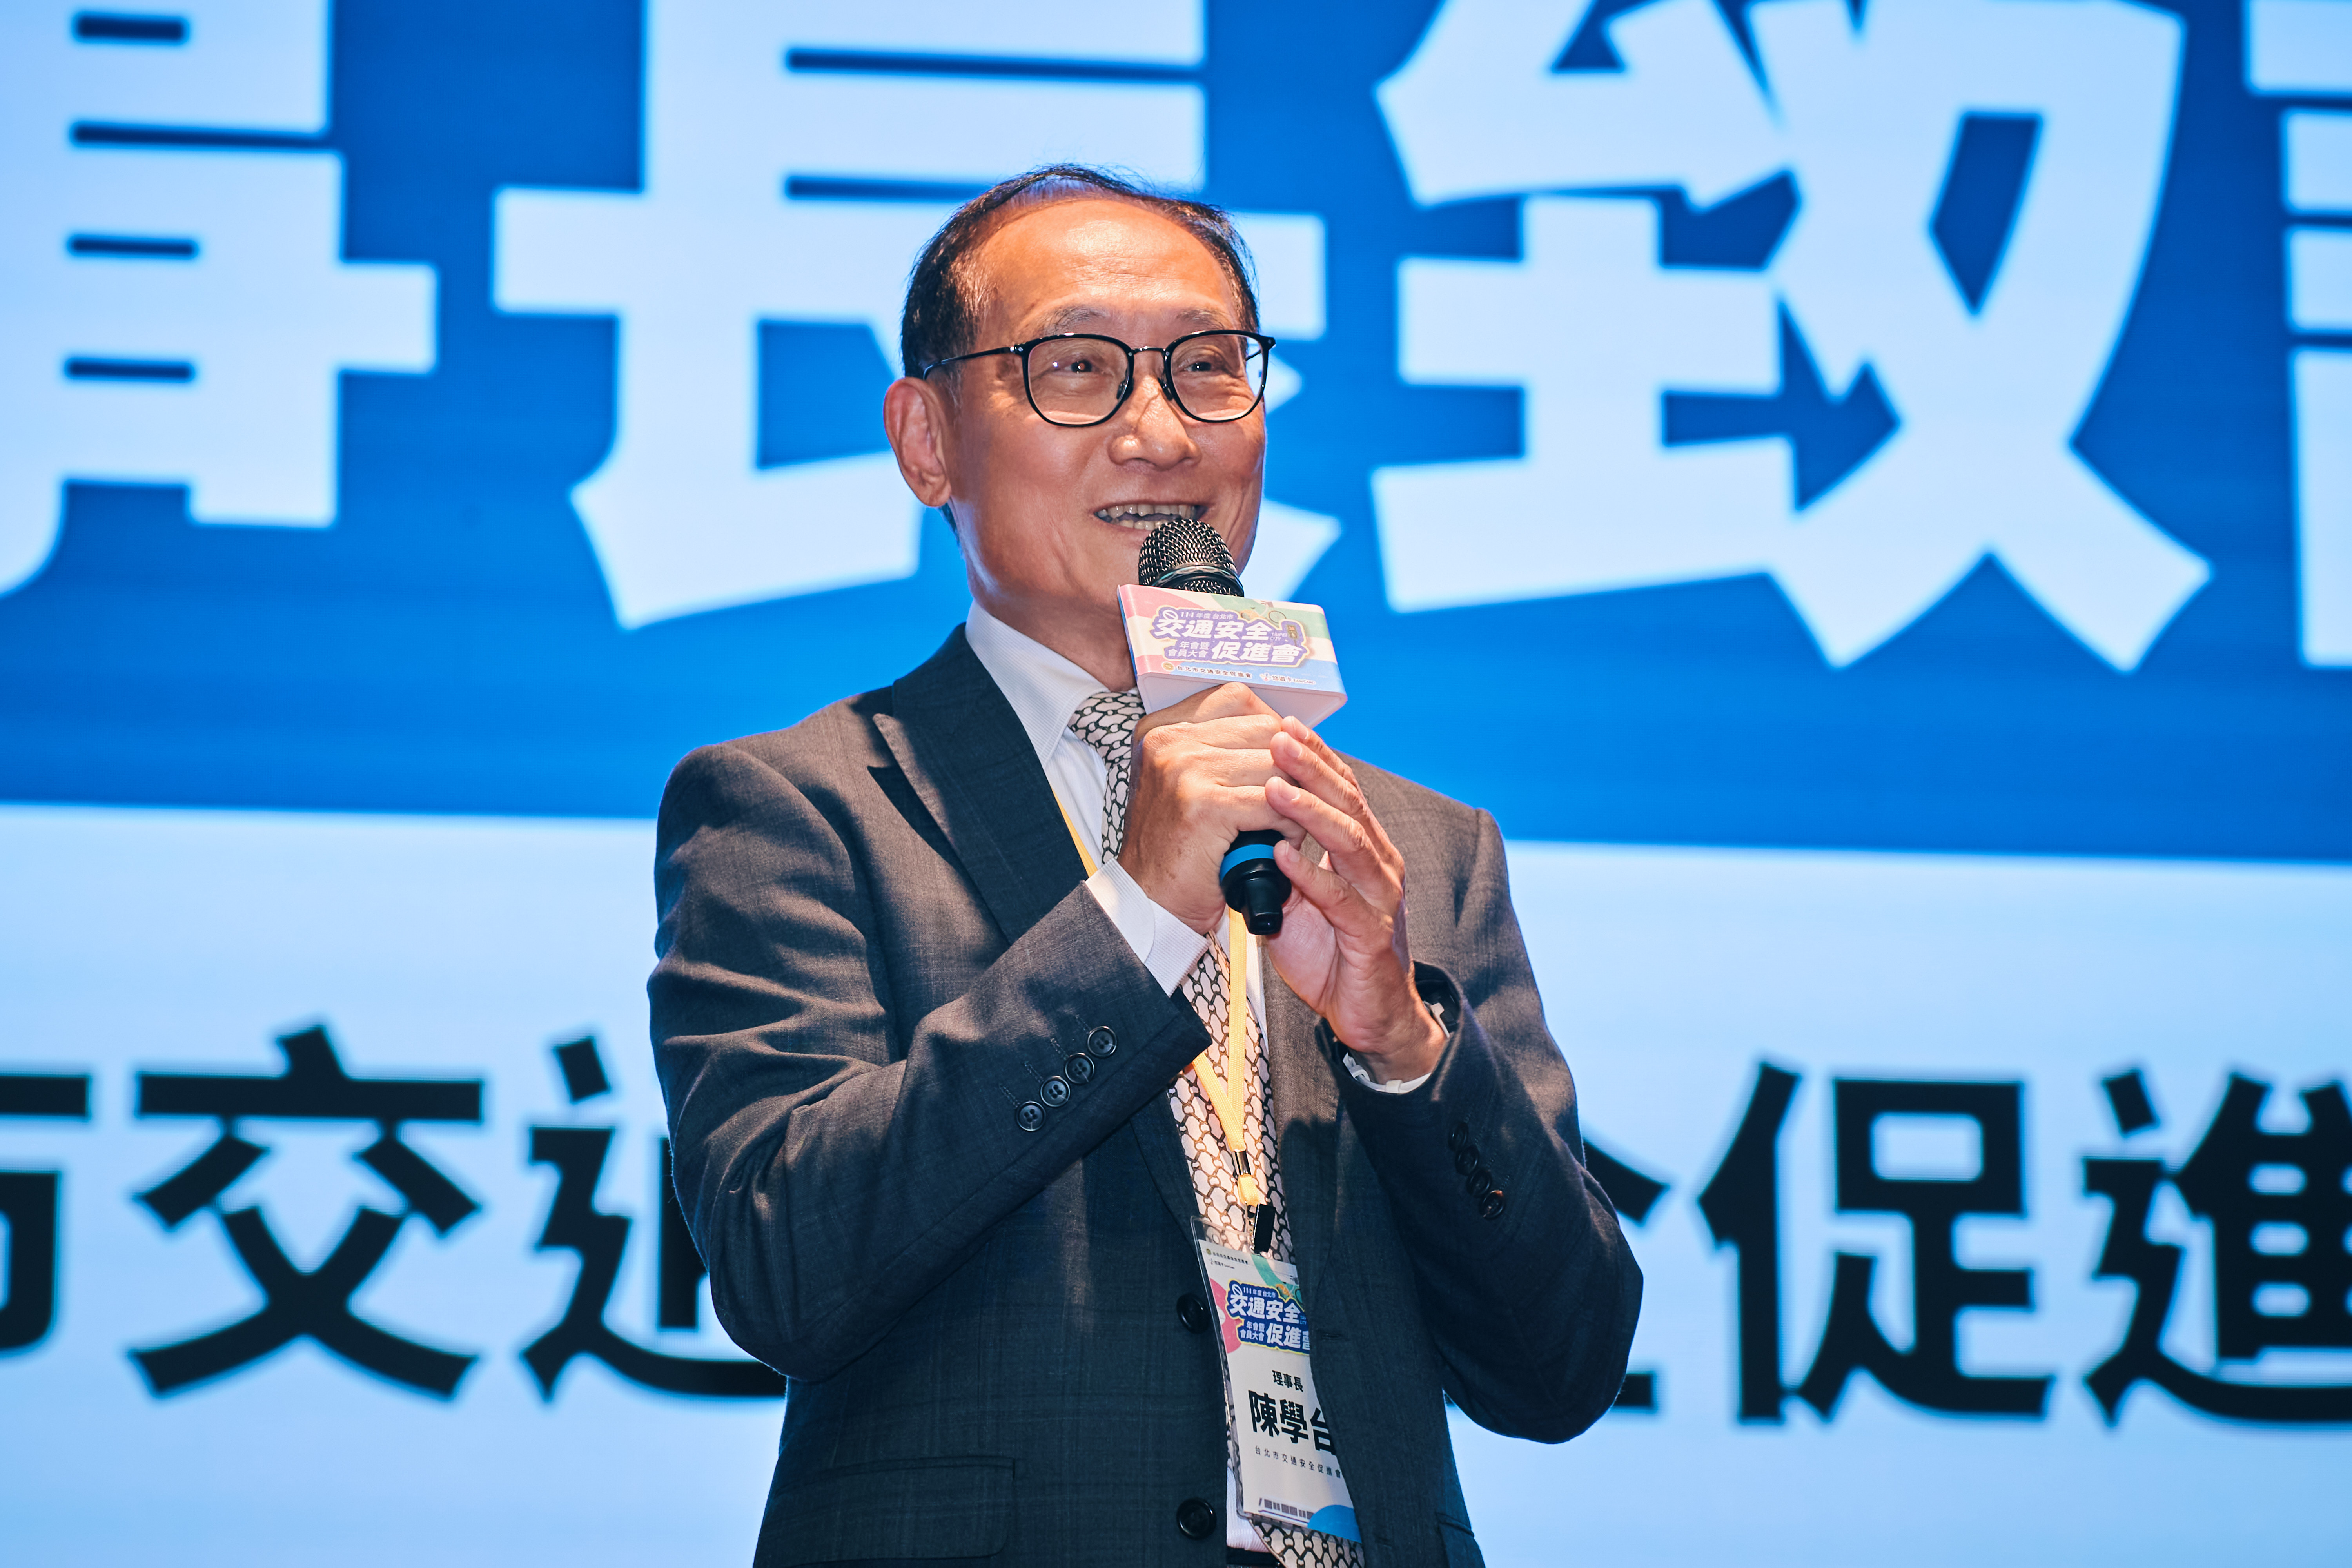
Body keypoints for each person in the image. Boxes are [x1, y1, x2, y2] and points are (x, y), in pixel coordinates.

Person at [650, 165, 1639, 1568]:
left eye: (1209, 368)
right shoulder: (799, 807)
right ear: (927, 442)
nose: (1160, 432)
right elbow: (785, 1265)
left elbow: (1562, 1367)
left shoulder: (1418, 847)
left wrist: (1404, 1046)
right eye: (1077, 369)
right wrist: (1135, 920)